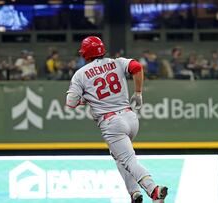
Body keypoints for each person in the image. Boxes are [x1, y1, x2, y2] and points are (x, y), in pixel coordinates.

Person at [65, 36, 168, 203]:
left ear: (85, 54)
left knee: (127, 158)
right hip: (130, 117)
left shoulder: (80, 74)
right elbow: (137, 67)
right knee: (119, 155)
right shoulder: (117, 62)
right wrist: (139, 92)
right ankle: (135, 193)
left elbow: (70, 103)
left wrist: (86, 98)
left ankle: (153, 190)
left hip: (111, 122)